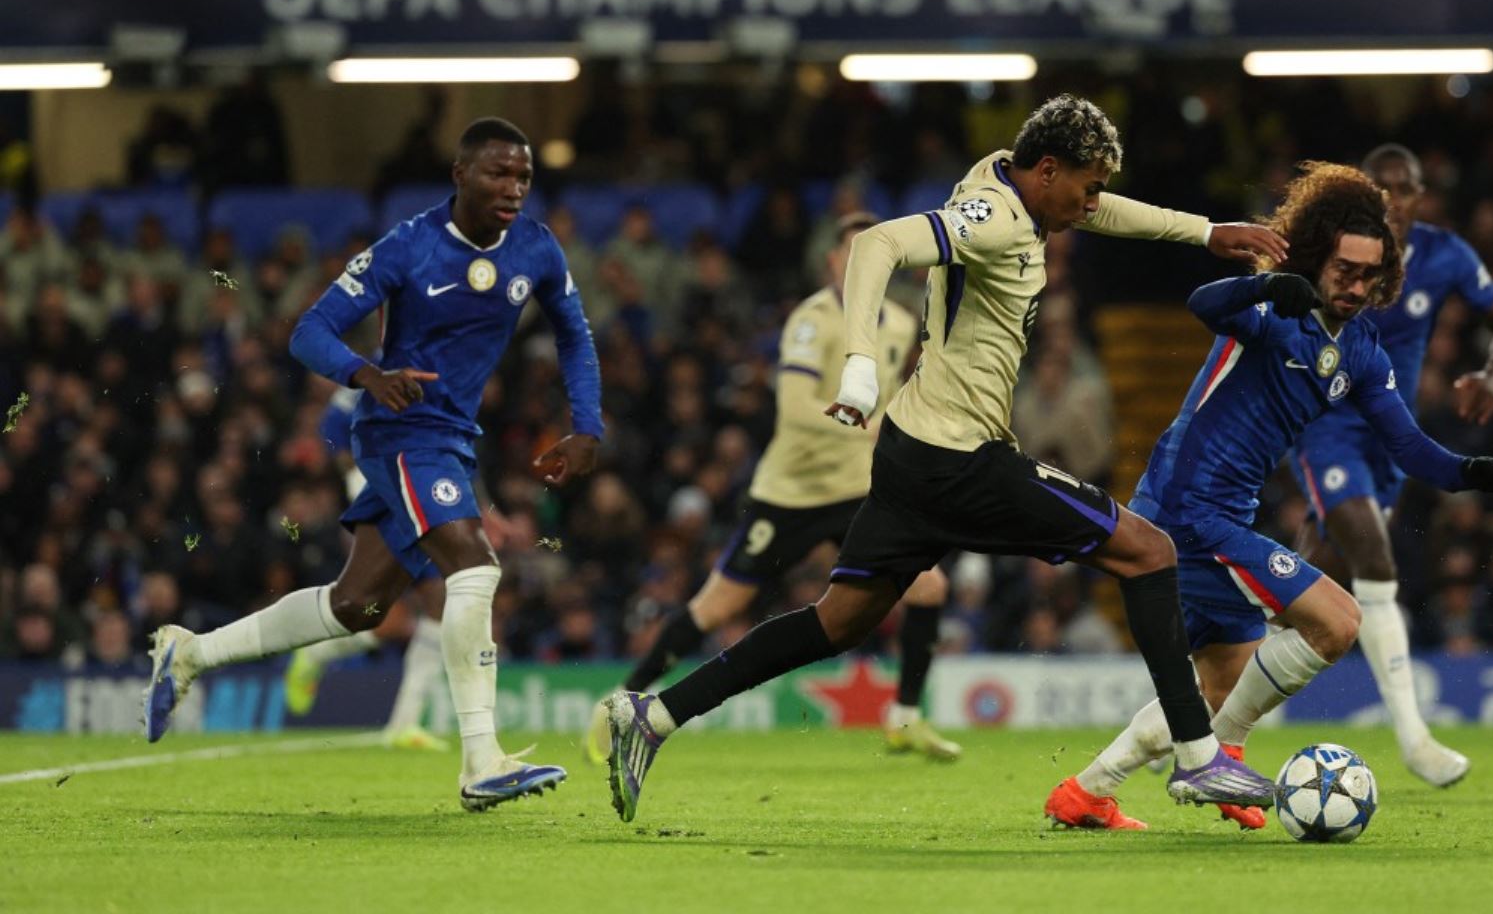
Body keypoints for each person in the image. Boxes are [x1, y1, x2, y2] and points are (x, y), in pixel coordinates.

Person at [598, 94, 1291, 823]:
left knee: (839, 621)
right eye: (1087, 185)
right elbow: (875, 246)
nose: (1094, 203)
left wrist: (1205, 232)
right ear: (1047, 170)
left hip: (911, 450)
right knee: (1148, 552)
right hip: (960, 459)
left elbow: (1103, 211)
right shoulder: (993, 217)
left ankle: (655, 716)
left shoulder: (1007, 180)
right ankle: (1196, 755)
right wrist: (861, 363)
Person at [144, 118, 605, 813]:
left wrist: (587, 425)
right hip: (400, 432)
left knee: (354, 606)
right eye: (498, 174)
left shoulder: (536, 250)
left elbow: (575, 335)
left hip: (451, 437)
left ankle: (190, 655)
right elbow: (309, 331)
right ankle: (482, 760)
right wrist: (366, 374)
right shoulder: (409, 247)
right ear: (460, 175)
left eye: (523, 178)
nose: (513, 189)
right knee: (475, 569)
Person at [1046, 162, 1493, 832]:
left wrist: (1473, 472)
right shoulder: (1274, 311)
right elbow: (1203, 306)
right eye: (1346, 269)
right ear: (1319, 256)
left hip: (1227, 512)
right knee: (1338, 621)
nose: (1357, 286)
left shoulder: (1361, 350)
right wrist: (1267, 284)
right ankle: (1215, 760)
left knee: (1220, 688)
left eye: (1370, 274)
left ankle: (1089, 792)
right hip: (1189, 507)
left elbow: (1408, 447)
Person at [586, 212, 961, 763]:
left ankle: (904, 716)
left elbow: (898, 391)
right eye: (851, 255)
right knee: (717, 605)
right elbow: (793, 408)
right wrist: (871, 421)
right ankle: (621, 702)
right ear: (833, 263)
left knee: (930, 588)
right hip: (791, 493)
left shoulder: (901, 323)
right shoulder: (812, 320)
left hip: (859, 489)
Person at [1290, 144, 1493, 786]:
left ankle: (1212, 713)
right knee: (1373, 559)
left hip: (1391, 437)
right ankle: (1415, 740)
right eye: (1382, 188)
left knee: (1317, 577)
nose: (1394, 200)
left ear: (1422, 195)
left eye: (1406, 188)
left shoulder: (1446, 256)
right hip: (1326, 426)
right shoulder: (1334, 254)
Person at [281, 386, 449, 752]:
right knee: (380, 608)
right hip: (382, 496)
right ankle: (314, 654)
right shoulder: (367, 377)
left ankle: (404, 722)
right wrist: (361, 480)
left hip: (417, 493)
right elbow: (333, 426)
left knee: (423, 606)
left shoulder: (429, 369)